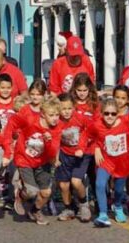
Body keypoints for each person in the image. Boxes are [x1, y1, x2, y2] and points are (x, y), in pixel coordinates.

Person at [84, 97, 129, 227]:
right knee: (99, 184)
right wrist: (96, 148)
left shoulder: (125, 122)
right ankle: (103, 214)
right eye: (106, 113)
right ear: (102, 113)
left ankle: (118, 206)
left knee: (119, 190)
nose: (109, 116)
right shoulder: (97, 124)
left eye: (113, 113)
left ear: (118, 113)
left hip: (122, 162)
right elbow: (89, 136)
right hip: (106, 160)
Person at [6, 95, 62, 225]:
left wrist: (48, 142)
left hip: (42, 162)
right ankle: (20, 195)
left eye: (57, 115)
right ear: (43, 114)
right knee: (31, 191)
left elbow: (52, 151)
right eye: (51, 115)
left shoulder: (56, 129)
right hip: (24, 159)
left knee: (46, 193)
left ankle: (34, 210)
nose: (55, 118)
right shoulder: (30, 121)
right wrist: (9, 143)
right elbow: (12, 123)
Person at [54, 94, 93, 222]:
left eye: (69, 108)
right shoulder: (57, 121)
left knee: (76, 182)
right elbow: (55, 141)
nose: (66, 112)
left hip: (81, 155)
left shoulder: (81, 118)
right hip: (65, 155)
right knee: (63, 185)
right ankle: (68, 208)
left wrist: (82, 147)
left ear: (74, 108)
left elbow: (90, 131)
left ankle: (84, 204)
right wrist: (55, 157)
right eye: (63, 108)